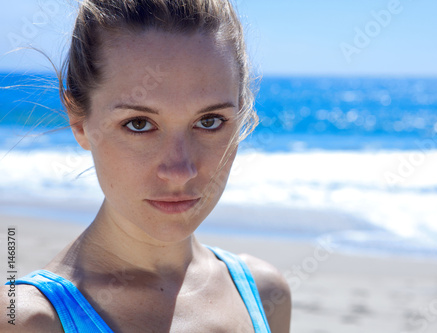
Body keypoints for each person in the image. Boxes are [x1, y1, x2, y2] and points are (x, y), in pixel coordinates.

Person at [0, 0, 291, 332]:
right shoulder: (28, 321)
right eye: (139, 124)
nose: (180, 170)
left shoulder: (264, 295)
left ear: (241, 116)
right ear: (79, 122)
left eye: (209, 121)